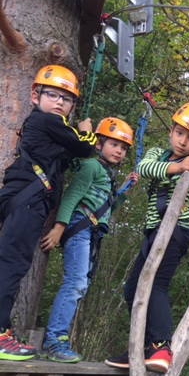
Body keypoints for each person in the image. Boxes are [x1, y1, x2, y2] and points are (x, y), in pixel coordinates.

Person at [105, 76, 189, 374]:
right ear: (172, 131)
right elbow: (144, 167)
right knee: (132, 291)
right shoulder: (159, 155)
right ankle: (143, 348)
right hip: (154, 231)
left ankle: (161, 347)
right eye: (180, 134)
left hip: (176, 229)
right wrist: (176, 167)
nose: (184, 142)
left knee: (157, 286)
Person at [0, 65, 97, 361]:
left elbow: (64, 156)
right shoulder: (47, 121)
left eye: (65, 100)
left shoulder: (43, 130)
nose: (59, 103)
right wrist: (87, 132)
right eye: (52, 95)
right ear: (34, 96)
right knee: (12, 263)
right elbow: (84, 148)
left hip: (22, 198)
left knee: (10, 260)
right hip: (27, 201)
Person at [40, 117, 139, 362]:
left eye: (124, 148)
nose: (119, 151)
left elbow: (106, 209)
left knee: (80, 284)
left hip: (90, 231)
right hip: (78, 228)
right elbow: (73, 196)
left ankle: (57, 338)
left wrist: (124, 190)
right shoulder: (92, 167)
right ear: (98, 144)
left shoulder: (106, 174)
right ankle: (54, 340)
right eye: (114, 144)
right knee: (75, 282)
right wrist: (59, 228)